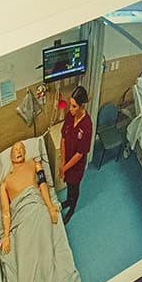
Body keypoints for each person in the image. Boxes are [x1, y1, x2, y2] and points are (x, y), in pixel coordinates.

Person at [0, 141, 60, 256]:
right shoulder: (5, 183)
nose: (19, 151)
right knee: (25, 251)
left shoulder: (34, 164)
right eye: (15, 150)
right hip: (21, 216)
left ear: (25, 152)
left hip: (37, 207)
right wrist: (6, 235)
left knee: (47, 244)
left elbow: (43, 184)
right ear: (10, 156)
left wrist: (50, 206)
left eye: (21, 149)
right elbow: (5, 211)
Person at [58, 85, 93, 223]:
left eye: (74, 106)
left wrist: (64, 169)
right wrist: (62, 164)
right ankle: (68, 200)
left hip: (76, 165)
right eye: (70, 105)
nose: (70, 109)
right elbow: (63, 138)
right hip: (66, 160)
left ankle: (72, 208)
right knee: (68, 184)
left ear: (82, 106)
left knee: (74, 186)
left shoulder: (87, 126)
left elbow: (79, 154)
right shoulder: (69, 116)